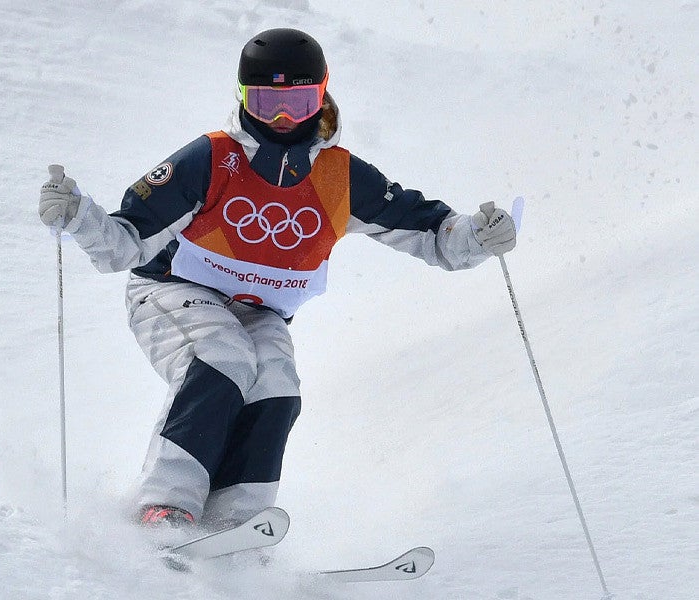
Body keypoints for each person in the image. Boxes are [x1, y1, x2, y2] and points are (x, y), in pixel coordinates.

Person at [38, 28, 516, 531]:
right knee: (222, 357)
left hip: (258, 309)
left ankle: (235, 524)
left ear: (322, 95)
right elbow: (125, 243)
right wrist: (77, 215)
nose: (284, 118)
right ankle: (165, 504)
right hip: (171, 290)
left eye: (300, 101)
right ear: (243, 97)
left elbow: (432, 232)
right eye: (267, 104)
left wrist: (477, 237)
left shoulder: (341, 177)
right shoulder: (212, 158)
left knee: (276, 384)